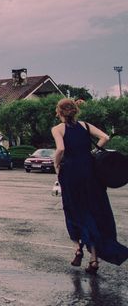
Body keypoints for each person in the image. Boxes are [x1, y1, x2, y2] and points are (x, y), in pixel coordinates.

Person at [52, 98, 128, 274]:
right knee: (92, 212)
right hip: (90, 172)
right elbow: (105, 137)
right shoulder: (85, 126)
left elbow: (60, 149)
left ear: (59, 112)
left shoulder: (58, 129)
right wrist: (92, 153)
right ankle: (94, 259)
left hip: (71, 173)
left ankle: (77, 248)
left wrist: (56, 164)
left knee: (73, 210)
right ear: (75, 111)